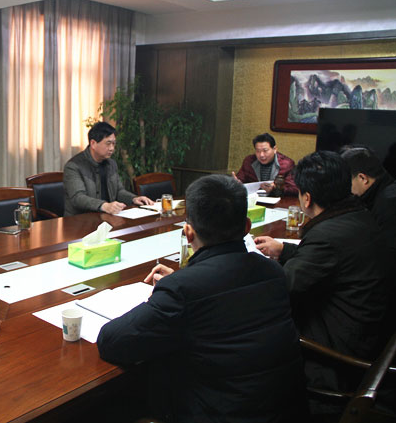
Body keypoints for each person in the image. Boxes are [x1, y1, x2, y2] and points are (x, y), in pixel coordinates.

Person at [97, 175, 304, 422]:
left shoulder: (183, 290)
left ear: (188, 232)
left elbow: (112, 341)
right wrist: (183, 283)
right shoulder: (273, 271)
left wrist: (170, 293)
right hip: (284, 410)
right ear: (247, 227)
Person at [255, 151, 391, 402]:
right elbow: (333, 259)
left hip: (336, 357)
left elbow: (281, 289)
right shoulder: (357, 215)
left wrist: (245, 269)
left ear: (306, 198)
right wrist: (285, 250)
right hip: (369, 337)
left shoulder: (327, 236)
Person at [63, 122, 154, 216]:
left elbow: (119, 191)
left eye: (114, 144)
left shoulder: (111, 164)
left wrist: (134, 198)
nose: (112, 148)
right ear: (93, 143)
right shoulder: (73, 166)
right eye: (108, 143)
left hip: (106, 217)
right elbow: (78, 198)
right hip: (79, 220)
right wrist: (104, 206)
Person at [340, 146, 396, 258]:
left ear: (363, 178)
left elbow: (388, 254)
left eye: (347, 182)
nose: (346, 190)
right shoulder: (383, 193)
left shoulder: (389, 204)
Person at [232, 132, 298, 195]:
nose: (261, 155)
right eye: (258, 151)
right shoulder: (249, 161)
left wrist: (276, 188)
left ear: (274, 149)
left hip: (277, 199)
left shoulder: (286, 164)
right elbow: (241, 180)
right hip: (254, 198)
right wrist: (236, 183)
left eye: (265, 150)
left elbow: (294, 189)